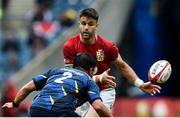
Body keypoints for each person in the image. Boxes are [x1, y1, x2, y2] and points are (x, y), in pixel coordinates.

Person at [63, 8, 161, 117]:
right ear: (79, 24)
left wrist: (140, 84)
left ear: (96, 26)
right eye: (83, 23)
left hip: (103, 92)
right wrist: (98, 78)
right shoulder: (70, 46)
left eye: (90, 24)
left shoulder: (108, 46)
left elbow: (122, 66)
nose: (86, 27)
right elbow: (71, 76)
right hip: (82, 92)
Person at [2, 53, 113, 117]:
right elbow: (98, 106)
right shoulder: (88, 81)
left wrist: (14, 103)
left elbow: (27, 87)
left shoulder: (55, 72)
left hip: (35, 110)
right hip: (60, 112)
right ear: (91, 70)